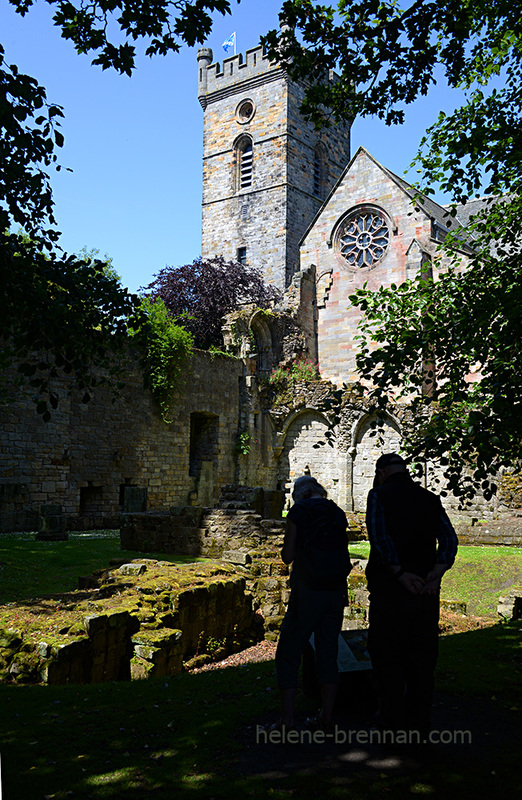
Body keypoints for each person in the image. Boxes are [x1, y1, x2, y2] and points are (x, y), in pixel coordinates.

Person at [365, 453, 458, 736]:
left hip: (390, 591)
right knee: (422, 659)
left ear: (381, 472)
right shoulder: (429, 498)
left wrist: (399, 573)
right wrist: (437, 571)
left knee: (387, 657)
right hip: (424, 592)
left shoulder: (378, 495)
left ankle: (391, 726)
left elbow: (380, 538)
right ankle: (419, 726)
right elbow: (449, 538)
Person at [274, 475, 352, 734]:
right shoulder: (337, 512)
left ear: (299, 494)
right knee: (328, 651)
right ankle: (327, 717)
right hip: (335, 591)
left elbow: (287, 556)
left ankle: (287, 720)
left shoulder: (298, 512)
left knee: (289, 649)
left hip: (308, 590)